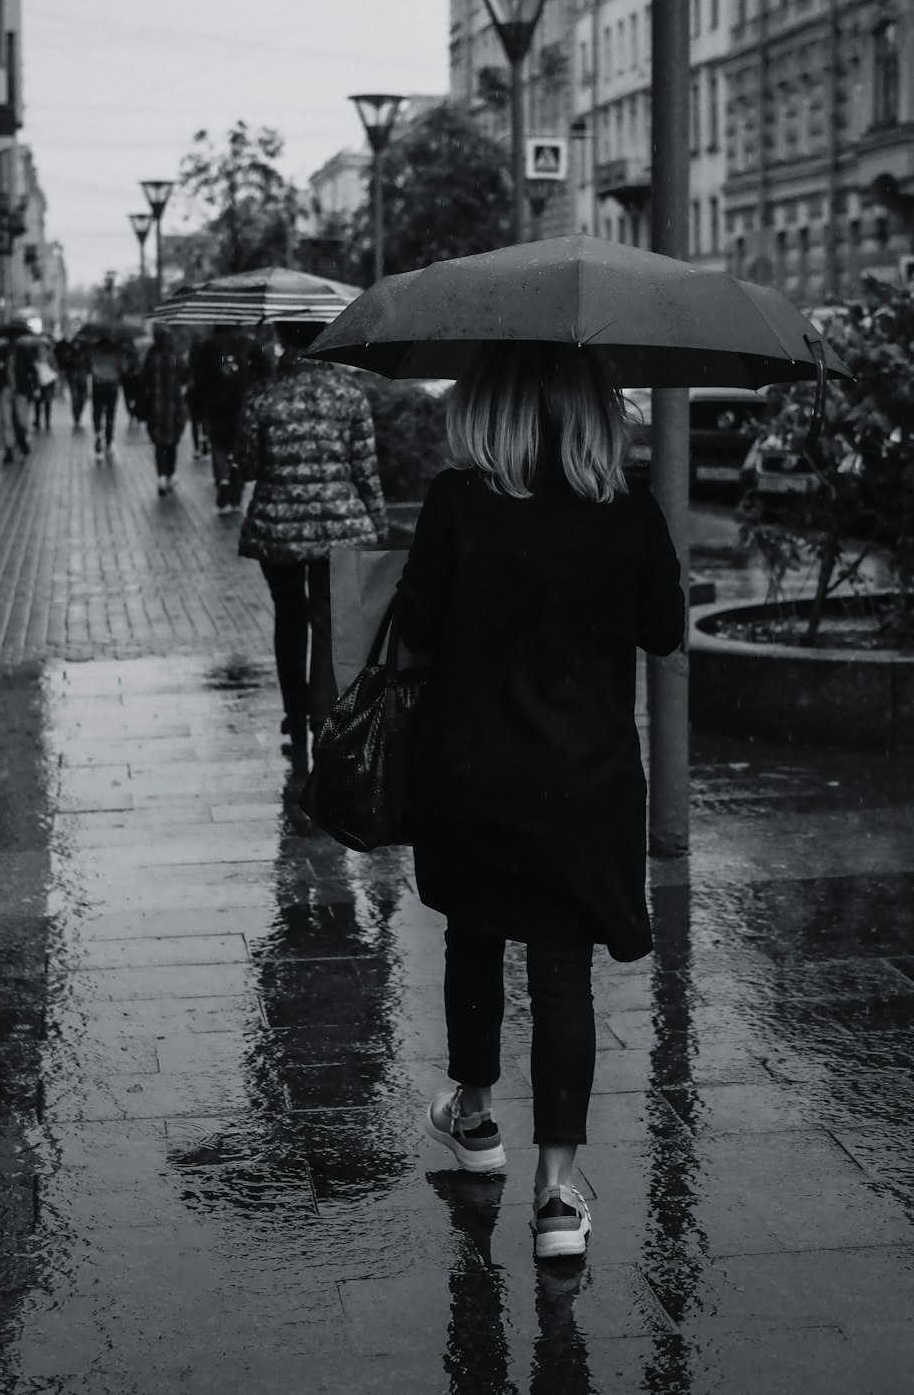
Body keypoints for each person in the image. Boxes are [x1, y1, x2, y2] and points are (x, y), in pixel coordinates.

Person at [392, 341, 684, 1261]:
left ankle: (475, 1117)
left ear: (489, 401)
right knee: (562, 972)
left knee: (474, 936)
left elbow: (416, 627)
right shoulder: (627, 510)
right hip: (584, 781)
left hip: (473, 773)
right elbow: (665, 629)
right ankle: (558, 1196)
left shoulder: (455, 502)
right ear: (600, 407)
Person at [234, 321, 387, 775]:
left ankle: (294, 711)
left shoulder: (263, 395)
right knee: (327, 621)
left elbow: (247, 464)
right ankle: (323, 716)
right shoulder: (349, 393)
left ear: (284, 340)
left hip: (277, 528)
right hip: (339, 526)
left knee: (289, 618)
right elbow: (366, 467)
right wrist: (377, 521)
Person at [198, 326, 254, 510]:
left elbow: (200, 378)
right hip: (240, 403)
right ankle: (237, 486)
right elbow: (265, 369)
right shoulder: (245, 343)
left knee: (219, 444)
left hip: (216, 406)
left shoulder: (208, 346)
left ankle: (222, 479)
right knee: (238, 445)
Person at [138, 323, 187, 494]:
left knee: (159, 443)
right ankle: (172, 473)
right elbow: (186, 375)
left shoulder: (152, 357)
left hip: (156, 406)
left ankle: (161, 477)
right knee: (172, 441)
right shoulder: (176, 357)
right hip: (174, 406)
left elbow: (142, 379)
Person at [89, 340, 128, 460]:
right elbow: (123, 369)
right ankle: (109, 441)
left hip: (97, 385)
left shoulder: (94, 353)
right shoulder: (116, 354)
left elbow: (89, 366)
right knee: (110, 414)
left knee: (97, 411)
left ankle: (98, 433)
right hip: (111, 386)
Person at [0, 339, 30, 462]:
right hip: (6, 389)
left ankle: (22, 440)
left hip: (20, 390)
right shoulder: (0, 353)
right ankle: (9, 447)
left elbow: (30, 371)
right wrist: (1, 368)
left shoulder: (24, 353)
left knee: (22, 419)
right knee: (6, 419)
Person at [32, 341, 59, 432]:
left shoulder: (50, 357)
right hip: (40, 382)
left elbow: (55, 369)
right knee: (39, 403)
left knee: (46, 402)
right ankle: (39, 421)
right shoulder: (35, 358)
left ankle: (45, 421)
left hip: (48, 383)